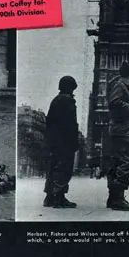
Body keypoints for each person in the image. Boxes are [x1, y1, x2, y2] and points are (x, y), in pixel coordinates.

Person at [43, 75, 79, 208]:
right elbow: (71, 123)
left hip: (54, 141)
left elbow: (49, 121)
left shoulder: (55, 100)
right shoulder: (68, 100)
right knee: (64, 168)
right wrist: (74, 141)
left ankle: (49, 197)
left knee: (53, 167)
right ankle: (59, 197)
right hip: (65, 141)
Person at [107, 61, 129, 210]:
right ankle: (118, 199)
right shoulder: (120, 85)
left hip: (121, 130)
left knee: (117, 163)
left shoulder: (123, 86)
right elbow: (114, 102)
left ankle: (113, 198)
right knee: (126, 163)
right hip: (123, 131)